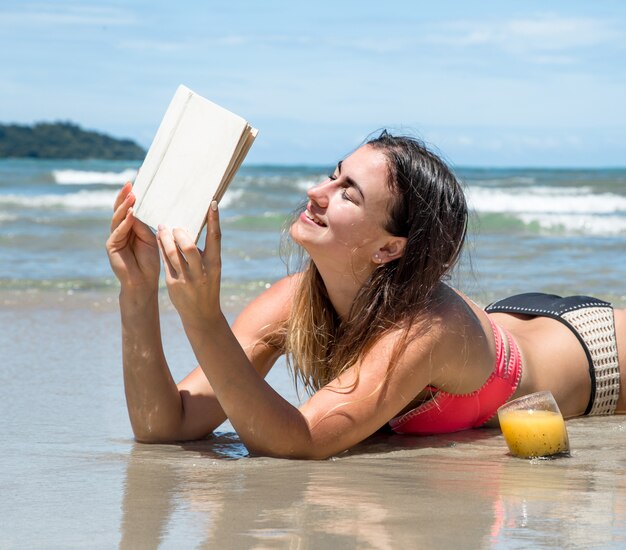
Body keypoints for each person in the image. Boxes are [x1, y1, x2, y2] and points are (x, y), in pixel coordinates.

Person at [106, 131, 625, 459]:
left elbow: (301, 441)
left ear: (388, 248)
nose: (317, 191)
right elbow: (164, 425)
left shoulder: (425, 330)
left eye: (347, 192)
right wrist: (137, 290)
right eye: (332, 175)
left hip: (600, 354)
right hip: (513, 322)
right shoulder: (293, 300)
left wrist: (202, 320)